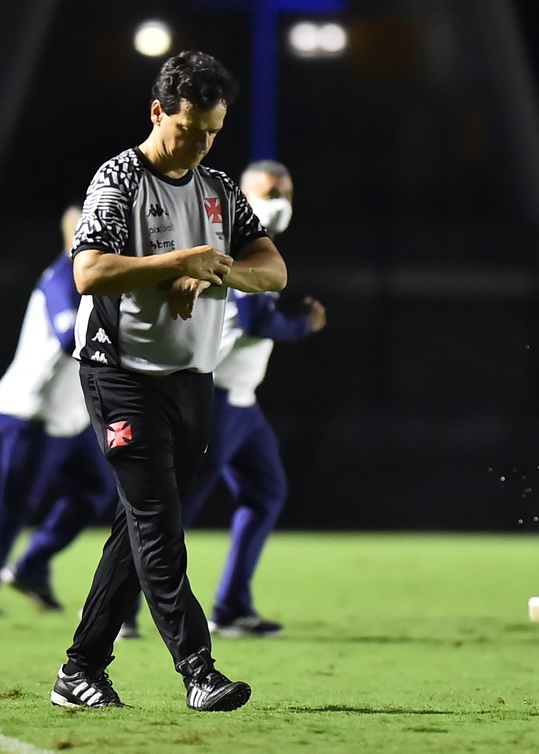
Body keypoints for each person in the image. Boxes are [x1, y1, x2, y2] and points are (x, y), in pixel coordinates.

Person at [50, 50, 287, 713]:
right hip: (120, 375)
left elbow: (273, 270)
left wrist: (218, 271)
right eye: (192, 129)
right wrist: (180, 260)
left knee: (141, 524)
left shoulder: (217, 190)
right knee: (159, 524)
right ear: (159, 112)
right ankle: (199, 672)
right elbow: (89, 272)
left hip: (192, 380)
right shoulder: (120, 179)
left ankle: (80, 669)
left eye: (214, 131)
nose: (203, 143)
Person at [120, 160, 325, 640]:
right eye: (271, 191)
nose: (280, 202)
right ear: (246, 194)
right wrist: (304, 326)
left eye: (287, 193)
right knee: (173, 510)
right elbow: (256, 320)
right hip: (215, 398)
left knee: (264, 492)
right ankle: (122, 608)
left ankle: (231, 606)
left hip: (241, 401)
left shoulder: (254, 245)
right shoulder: (233, 241)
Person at [0, 206, 117, 619]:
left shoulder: (103, 280)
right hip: (30, 413)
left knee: (94, 491)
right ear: (72, 234)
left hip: (67, 418)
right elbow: (68, 336)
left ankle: (31, 567)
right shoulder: (62, 277)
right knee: (14, 506)